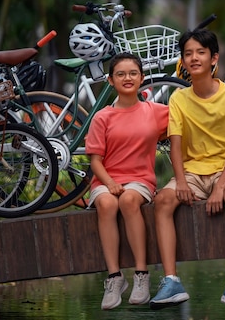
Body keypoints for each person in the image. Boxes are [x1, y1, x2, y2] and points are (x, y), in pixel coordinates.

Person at [149, 28, 225, 312]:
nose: (194, 58)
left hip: (224, 171)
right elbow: (176, 145)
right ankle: (171, 281)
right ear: (183, 61)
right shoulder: (179, 99)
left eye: (200, 53)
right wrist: (180, 181)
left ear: (213, 58)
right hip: (192, 173)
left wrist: (221, 186)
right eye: (188, 54)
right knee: (163, 201)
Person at [85, 52, 169, 310]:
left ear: (142, 78)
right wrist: (109, 183)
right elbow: (95, 161)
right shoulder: (102, 117)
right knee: (108, 205)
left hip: (140, 179)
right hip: (106, 179)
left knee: (130, 200)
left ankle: (141, 275)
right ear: (111, 80)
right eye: (120, 74)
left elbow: (192, 113)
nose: (127, 78)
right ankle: (114, 277)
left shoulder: (156, 112)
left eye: (133, 73)